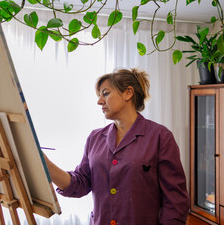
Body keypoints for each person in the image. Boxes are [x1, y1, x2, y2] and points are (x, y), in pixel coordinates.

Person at [44, 68, 190, 225]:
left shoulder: (160, 137)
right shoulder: (95, 138)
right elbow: (79, 184)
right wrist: (44, 164)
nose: (99, 101)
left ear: (128, 93)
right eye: (99, 95)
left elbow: (175, 202)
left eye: (105, 93)